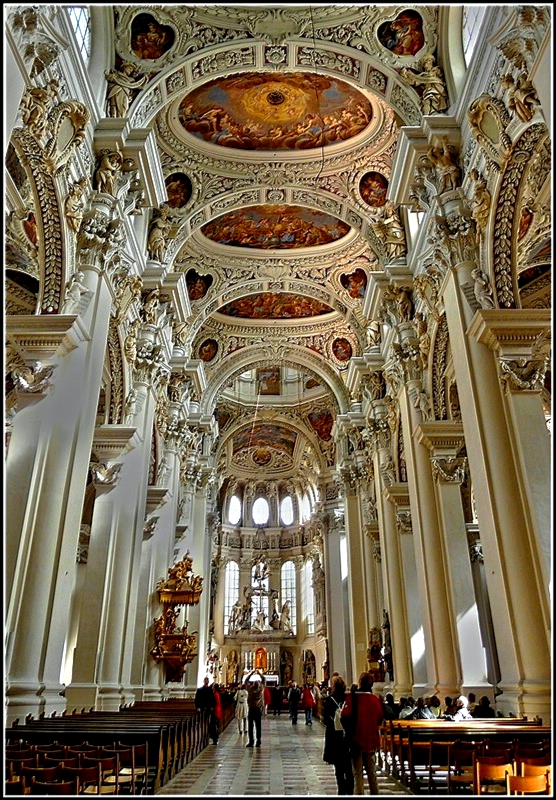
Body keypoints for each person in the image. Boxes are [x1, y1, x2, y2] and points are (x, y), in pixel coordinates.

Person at [340, 672, 384, 796]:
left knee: (357, 774)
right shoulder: (375, 699)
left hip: (356, 740)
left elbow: (343, 717)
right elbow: (380, 718)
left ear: (360, 682)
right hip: (371, 740)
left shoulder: (352, 698)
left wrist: (349, 733)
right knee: (372, 773)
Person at [322, 674, 354, 795]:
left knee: (338, 767)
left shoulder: (330, 700)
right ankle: (350, 790)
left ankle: (341, 789)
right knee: (349, 766)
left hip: (334, 736)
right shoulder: (348, 698)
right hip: (347, 735)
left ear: (334, 686)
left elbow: (326, 720)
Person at [245, 671, 264, 747]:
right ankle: (258, 740)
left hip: (251, 709)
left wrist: (251, 673)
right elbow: (264, 679)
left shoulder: (250, 689)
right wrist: (259, 673)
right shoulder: (260, 689)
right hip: (258, 710)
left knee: (250, 726)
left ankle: (251, 741)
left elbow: (246, 681)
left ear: (252, 684)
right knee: (258, 726)